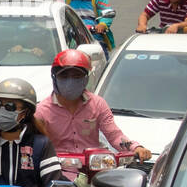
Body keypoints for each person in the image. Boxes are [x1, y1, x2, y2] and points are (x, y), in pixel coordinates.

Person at [35, 50, 152, 178]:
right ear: (54, 78)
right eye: (64, 76)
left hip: (95, 173)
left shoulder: (97, 104)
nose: (70, 81)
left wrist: (135, 148)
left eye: (76, 77)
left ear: (86, 79)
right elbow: (35, 145)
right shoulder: (41, 111)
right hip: (58, 175)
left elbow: (114, 135)